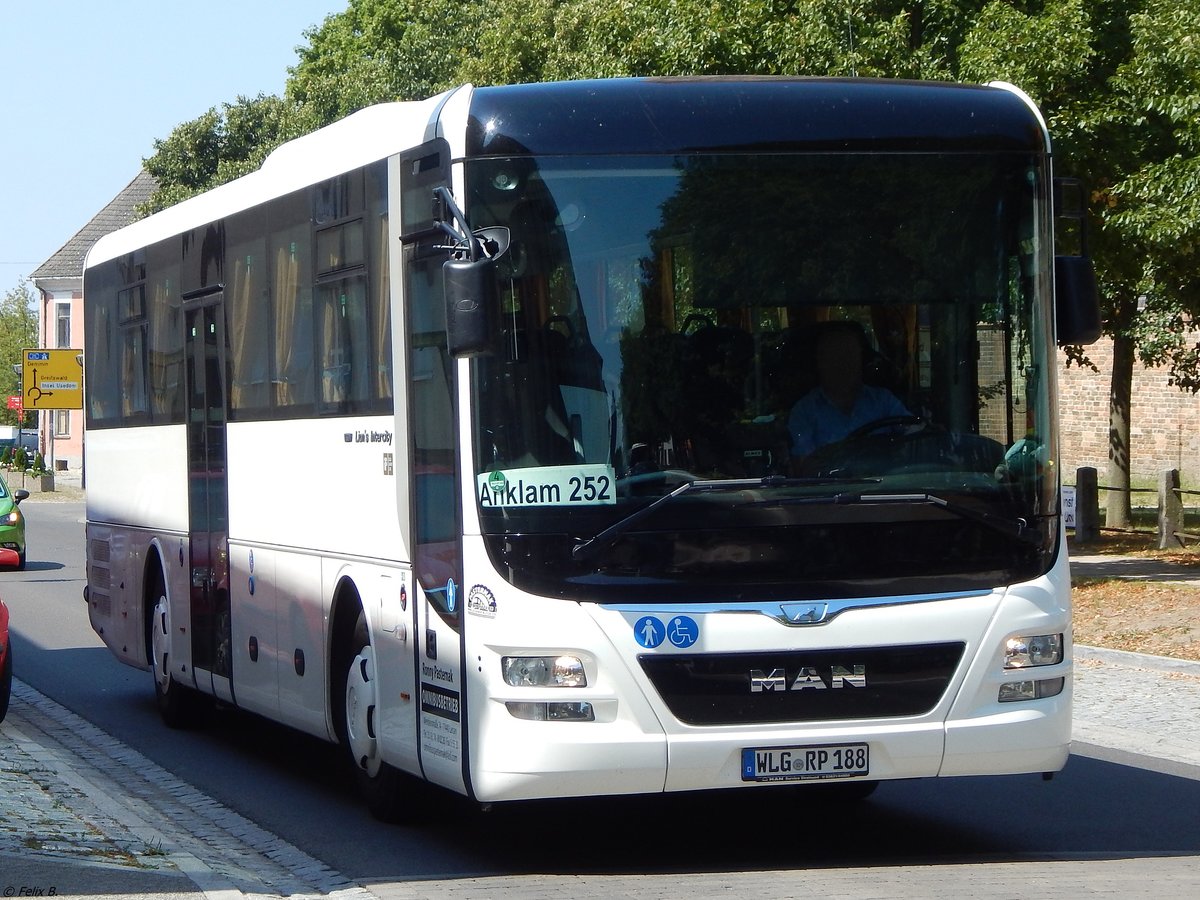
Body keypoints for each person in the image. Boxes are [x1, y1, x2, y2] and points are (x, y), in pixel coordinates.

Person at [788, 322, 912, 461]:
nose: (843, 363)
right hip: (832, 483)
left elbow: (914, 433)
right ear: (819, 362)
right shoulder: (804, 412)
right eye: (834, 356)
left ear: (862, 359)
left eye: (849, 354)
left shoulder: (884, 401)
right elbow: (805, 467)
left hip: (886, 480)